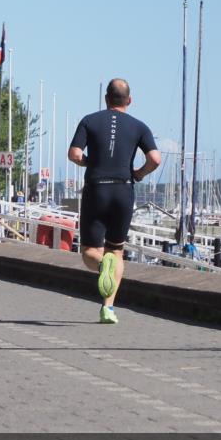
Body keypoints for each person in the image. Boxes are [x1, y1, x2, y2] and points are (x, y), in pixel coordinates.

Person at [68, 78, 161, 325]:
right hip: (123, 190)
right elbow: (155, 159)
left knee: (89, 250)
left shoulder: (89, 120)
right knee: (116, 251)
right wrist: (139, 173)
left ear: (106, 99)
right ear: (129, 100)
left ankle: (102, 265)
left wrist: (90, 162)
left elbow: (75, 154)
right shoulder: (139, 126)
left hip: (96, 189)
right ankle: (108, 308)